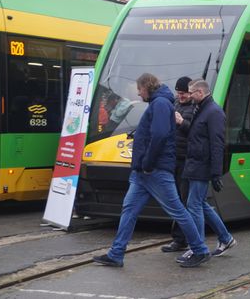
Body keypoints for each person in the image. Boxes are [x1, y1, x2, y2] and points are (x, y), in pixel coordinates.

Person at [93, 73, 210, 268]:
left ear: (147, 87)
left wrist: (147, 163)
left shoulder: (161, 104)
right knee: (129, 209)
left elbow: (160, 134)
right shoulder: (158, 103)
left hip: (155, 170)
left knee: (178, 211)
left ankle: (200, 249)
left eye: (139, 90)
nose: (138, 94)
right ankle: (116, 253)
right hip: (142, 172)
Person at [182, 79, 236, 260]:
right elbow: (197, 136)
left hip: (202, 166)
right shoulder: (202, 109)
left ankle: (197, 248)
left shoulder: (213, 112)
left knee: (194, 205)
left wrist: (215, 173)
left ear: (200, 92)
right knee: (201, 204)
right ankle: (226, 238)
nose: (188, 96)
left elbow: (217, 144)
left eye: (191, 92)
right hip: (196, 163)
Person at [161, 76, 193, 253]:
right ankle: (181, 238)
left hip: (187, 159)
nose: (180, 96)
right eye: (178, 93)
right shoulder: (174, 103)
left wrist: (181, 122)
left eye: (183, 93)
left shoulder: (196, 106)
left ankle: (181, 239)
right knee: (177, 199)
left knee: (184, 200)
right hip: (173, 157)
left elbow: (197, 133)